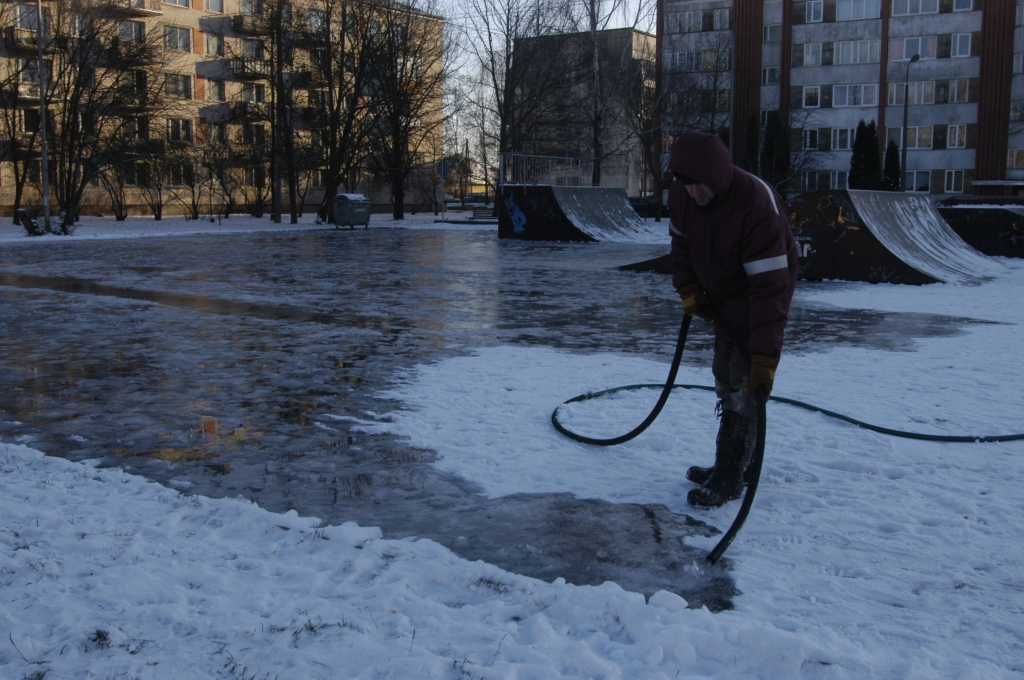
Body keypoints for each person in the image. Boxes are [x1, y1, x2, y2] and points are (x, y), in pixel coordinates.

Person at [667, 131, 799, 508]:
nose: (694, 193)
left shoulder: (755, 203)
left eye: (700, 185)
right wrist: (690, 289)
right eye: (687, 185)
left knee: (746, 382)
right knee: (724, 372)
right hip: (721, 292)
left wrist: (765, 360)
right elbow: (680, 247)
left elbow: (769, 289)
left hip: (759, 290)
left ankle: (730, 476)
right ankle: (729, 464)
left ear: (717, 176)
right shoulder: (682, 195)